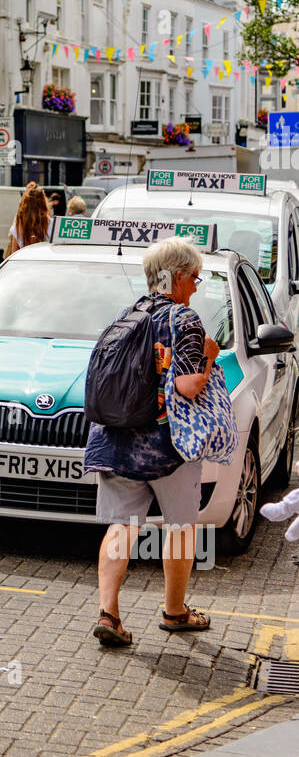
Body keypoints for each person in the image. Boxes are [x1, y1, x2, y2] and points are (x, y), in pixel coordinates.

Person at [83, 237, 221, 648]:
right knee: (180, 527)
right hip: (168, 445)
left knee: (121, 527)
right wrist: (210, 356)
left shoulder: (126, 314)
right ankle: (175, 612)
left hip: (115, 439)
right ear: (177, 277)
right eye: (195, 278)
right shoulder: (185, 320)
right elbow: (190, 385)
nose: (196, 287)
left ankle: (109, 614)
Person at [5, 182, 50, 257]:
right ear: (44, 202)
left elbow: (14, 256)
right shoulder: (53, 224)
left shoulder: (18, 226)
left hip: (25, 266)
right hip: (46, 265)